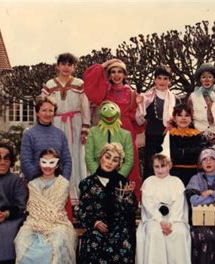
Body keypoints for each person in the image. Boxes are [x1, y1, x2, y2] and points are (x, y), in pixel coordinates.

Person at [13, 148, 79, 264]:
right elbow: (35, 208)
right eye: (44, 162)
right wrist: (38, 224)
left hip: (57, 222)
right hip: (34, 222)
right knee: (21, 241)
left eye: (52, 162)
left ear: (57, 164)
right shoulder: (33, 184)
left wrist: (45, 223)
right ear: (39, 163)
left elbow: (55, 208)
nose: (48, 166)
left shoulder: (63, 184)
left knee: (57, 242)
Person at [78, 143, 137, 264]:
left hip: (118, 226)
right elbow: (83, 209)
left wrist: (128, 197)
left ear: (119, 164)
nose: (110, 162)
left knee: (120, 242)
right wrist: (95, 222)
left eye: (115, 160)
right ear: (101, 157)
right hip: (96, 225)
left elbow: (130, 211)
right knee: (93, 241)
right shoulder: (87, 183)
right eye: (107, 157)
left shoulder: (122, 182)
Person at [84, 58, 143, 200]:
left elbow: (137, 117)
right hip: (108, 131)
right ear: (109, 75)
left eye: (120, 72)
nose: (116, 75)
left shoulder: (133, 93)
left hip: (127, 131)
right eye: (113, 72)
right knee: (108, 162)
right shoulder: (104, 91)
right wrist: (104, 65)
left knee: (130, 162)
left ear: (125, 74)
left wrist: (141, 107)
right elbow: (89, 83)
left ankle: (131, 199)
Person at [42, 53, 90, 204]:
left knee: (76, 157)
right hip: (56, 123)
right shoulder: (50, 85)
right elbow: (43, 105)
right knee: (57, 156)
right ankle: (57, 197)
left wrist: (85, 127)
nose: (66, 67)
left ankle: (77, 198)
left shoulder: (79, 84)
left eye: (69, 64)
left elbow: (85, 106)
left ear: (74, 67)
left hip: (75, 123)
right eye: (63, 64)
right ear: (57, 66)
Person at [136, 154, 191, 264]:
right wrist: (161, 221)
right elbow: (148, 205)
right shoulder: (149, 182)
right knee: (154, 232)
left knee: (179, 232)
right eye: (157, 167)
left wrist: (170, 222)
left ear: (169, 166)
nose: (160, 170)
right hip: (154, 218)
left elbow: (179, 204)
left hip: (174, 218)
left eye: (163, 166)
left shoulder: (176, 181)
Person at [137, 65, 179, 179]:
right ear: (155, 79)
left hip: (168, 137)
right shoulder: (146, 98)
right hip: (151, 137)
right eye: (159, 78)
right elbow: (139, 116)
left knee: (168, 164)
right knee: (150, 166)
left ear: (169, 81)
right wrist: (139, 102)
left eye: (165, 78)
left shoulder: (174, 99)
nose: (162, 81)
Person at [21, 95, 72, 182]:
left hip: (57, 184)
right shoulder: (29, 135)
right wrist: (38, 181)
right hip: (36, 184)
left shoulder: (60, 134)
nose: (47, 114)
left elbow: (67, 160)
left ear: (54, 113)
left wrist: (63, 180)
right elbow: (25, 161)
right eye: (44, 110)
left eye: (50, 111)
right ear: (37, 113)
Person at [85, 100, 134, 178]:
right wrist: (97, 175)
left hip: (117, 178)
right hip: (96, 177)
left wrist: (119, 177)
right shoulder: (93, 132)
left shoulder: (126, 135)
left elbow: (129, 160)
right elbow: (89, 157)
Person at [161, 104, 205, 186]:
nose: (183, 118)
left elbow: (198, 152)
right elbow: (174, 154)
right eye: (180, 115)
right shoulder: (170, 135)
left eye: (187, 115)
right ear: (174, 118)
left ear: (191, 118)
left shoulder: (197, 135)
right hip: (175, 173)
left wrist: (182, 151)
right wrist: (190, 151)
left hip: (194, 173)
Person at [187, 63, 215, 145]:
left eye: (210, 77)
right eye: (203, 77)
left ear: (214, 79)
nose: (207, 80)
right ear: (200, 80)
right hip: (198, 139)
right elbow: (189, 120)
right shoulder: (192, 97)